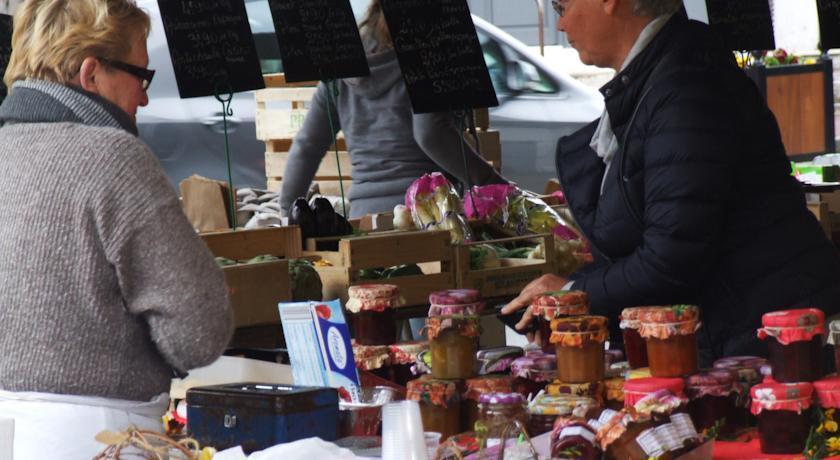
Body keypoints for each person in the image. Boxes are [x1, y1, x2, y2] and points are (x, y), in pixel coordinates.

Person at [503, 0, 840, 362]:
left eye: (562, 6)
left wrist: (575, 291)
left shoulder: (686, 88)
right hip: (746, 330)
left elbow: (673, 256)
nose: (562, 24)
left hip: (774, 340)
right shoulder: (659, 79)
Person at [0, 0, 233, 457]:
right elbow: (199, 331)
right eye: (141, 76)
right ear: (90, 74)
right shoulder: (115, 159)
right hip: (103, 440)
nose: (144, 97)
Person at [279, 0, 508, 218]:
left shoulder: (341, 64)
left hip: (364, 217)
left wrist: (286, 212)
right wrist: (491, 181)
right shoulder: (430, 50)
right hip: (425, 217)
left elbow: (307, 145)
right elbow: (431, 133)